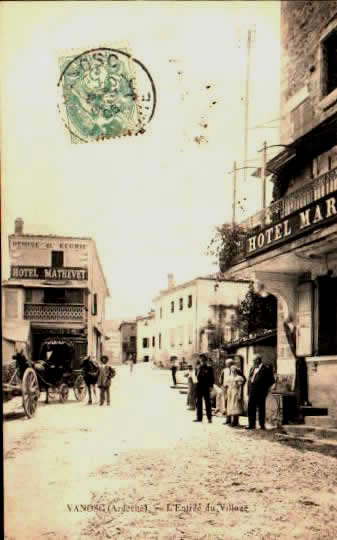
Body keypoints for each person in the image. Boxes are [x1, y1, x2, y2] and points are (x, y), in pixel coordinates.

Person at [246, 355, 275, 430]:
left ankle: (262, 424)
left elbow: (271, 380)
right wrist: (248, 391)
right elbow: (249, 379)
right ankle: (251, 424)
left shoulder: (266, 369)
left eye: (254, 360)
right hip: (252, 391)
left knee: (261, 408)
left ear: (258, 360)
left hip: (261, 392)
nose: (253, 362)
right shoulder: (252, 368)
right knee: (251, 407)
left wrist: (265, 389)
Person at [194, 354, 214, 423]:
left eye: (203, 359)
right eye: (201, 359)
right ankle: (199, 418)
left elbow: (212, 378)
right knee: (198, 403)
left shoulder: (209, 368)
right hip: (198, 387)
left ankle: (209, 418)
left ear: (205, 360)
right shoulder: (197, 367)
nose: (202, 361)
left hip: (206, 387)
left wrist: (211, 386)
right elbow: (195, 377)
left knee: (207, 402)